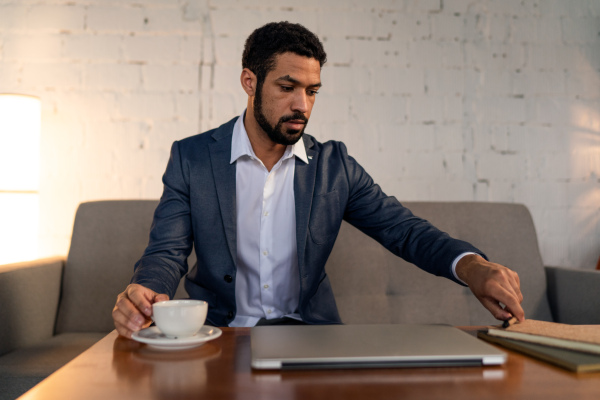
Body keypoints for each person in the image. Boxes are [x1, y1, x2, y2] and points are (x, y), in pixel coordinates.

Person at [112, 21, 524, 338]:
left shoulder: (334, 167)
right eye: (287, 87)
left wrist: (472, 266)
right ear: (249, 82)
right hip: (221, 334)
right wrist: (145, 292)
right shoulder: (193, 157)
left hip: (312, 337)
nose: (301, 105)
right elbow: (166, 252)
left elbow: (405, 231)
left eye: (312, 91)